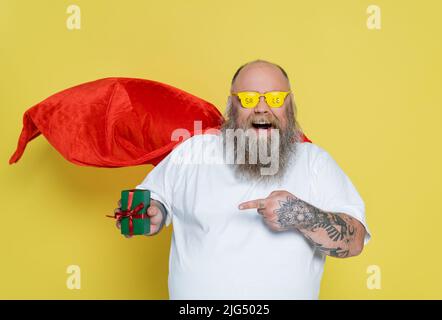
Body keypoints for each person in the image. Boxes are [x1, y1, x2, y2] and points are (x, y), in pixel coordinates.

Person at [113, 59, 371, 299]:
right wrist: (153, 212)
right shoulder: (193, 152)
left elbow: (355, 241)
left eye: (275, 98)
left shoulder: (315, 162)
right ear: (231, 105)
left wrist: (300, 214)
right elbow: (153, 199)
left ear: (289, 104)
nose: (261, 108)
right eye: (248, 99)